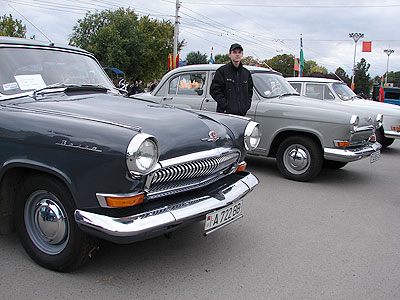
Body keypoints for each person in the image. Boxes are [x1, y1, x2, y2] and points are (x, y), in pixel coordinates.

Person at [210, 43, 253, 116]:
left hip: (241, 114)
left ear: (242, 54)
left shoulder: (246, 73)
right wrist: (226, 105)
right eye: (234, 52)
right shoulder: (222, 71)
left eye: (239, 52)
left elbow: (249, 91)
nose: (237, 54)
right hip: (225, 114)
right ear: (230, 54)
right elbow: (214, 90)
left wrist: (246, 106)